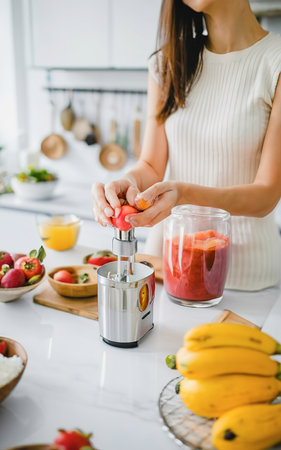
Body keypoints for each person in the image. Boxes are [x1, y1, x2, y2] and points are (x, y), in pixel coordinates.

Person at [92, 0, 281, 291]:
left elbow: (266, 195)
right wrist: (127, 182)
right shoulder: (167, 61)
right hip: (170, 266)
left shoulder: (275, 61)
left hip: (246, 278)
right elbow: (152, 166)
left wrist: (184, 195)